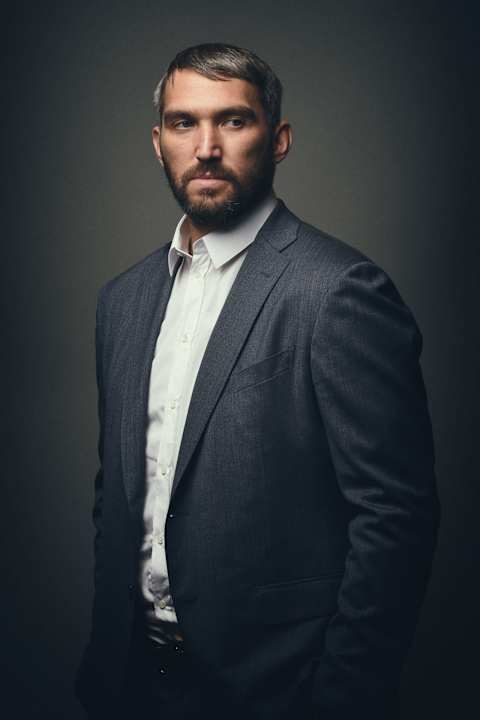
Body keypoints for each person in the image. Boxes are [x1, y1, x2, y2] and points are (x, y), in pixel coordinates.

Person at [75, 43, 440, 720]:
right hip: (130, 685)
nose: (206, 146)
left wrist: (339, 699)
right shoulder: (120, 302)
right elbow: (121, 495)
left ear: (279, 140)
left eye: (233, 121)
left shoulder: (338, 291)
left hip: (275, 693)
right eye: (184, 123)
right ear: (159, 143)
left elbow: (395, 519)